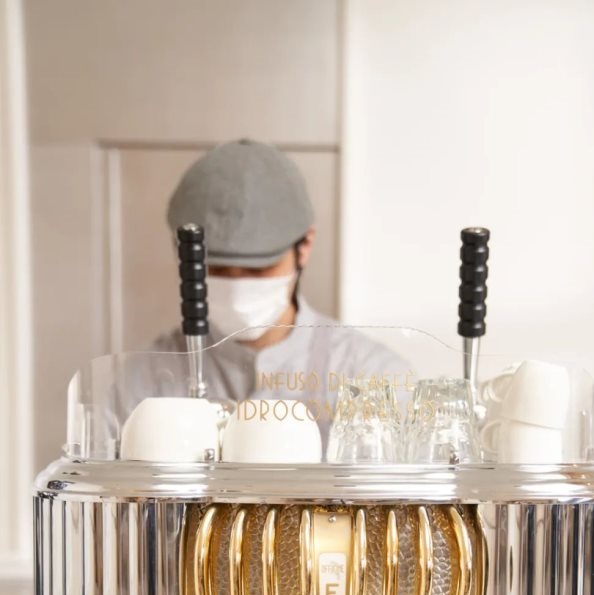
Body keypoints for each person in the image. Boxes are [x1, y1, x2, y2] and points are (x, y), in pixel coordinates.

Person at [147, 139, 409, 434]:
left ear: (304, 246)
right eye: (217, 269)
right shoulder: (144, 382)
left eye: (258, 269)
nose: (237, 287)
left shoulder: (369, 375)